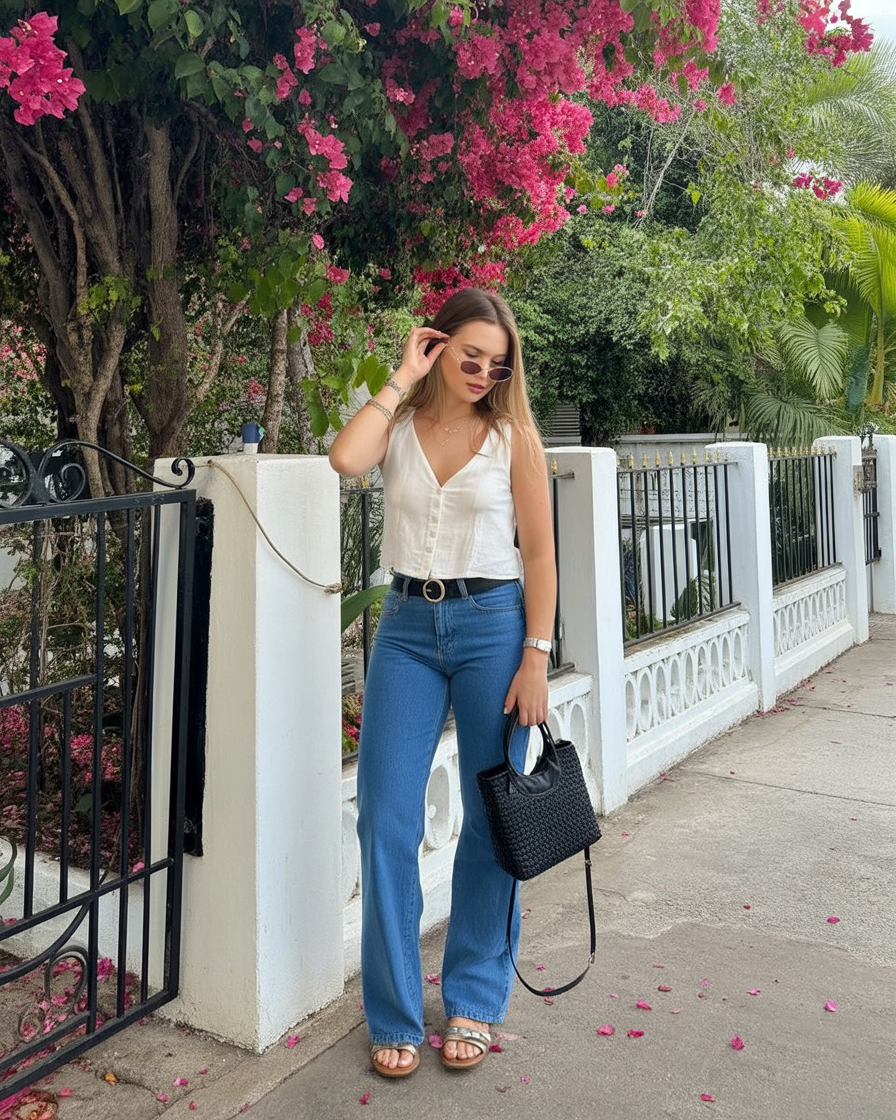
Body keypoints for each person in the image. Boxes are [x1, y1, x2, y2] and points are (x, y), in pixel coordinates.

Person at [328, 288, 556, 1077]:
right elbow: (344, 460)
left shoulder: (514, 437)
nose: (483, 373)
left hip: (495, 624)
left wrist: (537, 655)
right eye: (470, 355)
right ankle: (393, 1012)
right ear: (437, 343)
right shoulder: (396, 424)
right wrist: (401, 377)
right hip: (407, 630)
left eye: (497, 364)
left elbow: (540, 555)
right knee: (385, 818)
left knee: (493, 813)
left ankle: (473, 999)